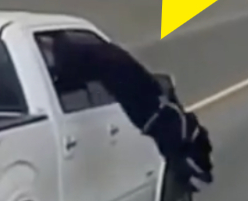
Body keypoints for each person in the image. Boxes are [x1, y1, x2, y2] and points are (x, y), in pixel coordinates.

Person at [50, 33, 213, 188]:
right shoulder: (179, 130)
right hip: (145, 104)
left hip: (145, 98)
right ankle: (64, 59)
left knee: (110, 63)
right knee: (109, 64)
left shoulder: (180, 128)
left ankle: (64, 59)